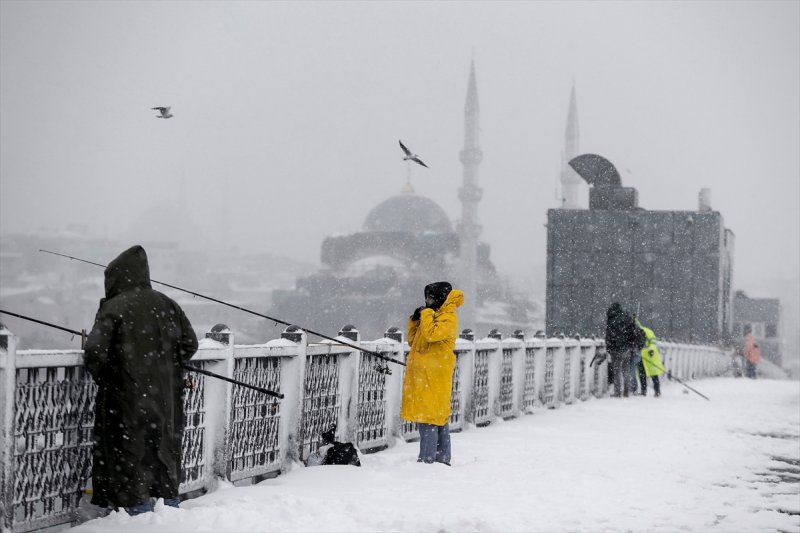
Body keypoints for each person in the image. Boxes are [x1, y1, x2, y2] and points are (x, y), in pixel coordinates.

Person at [84, 245, 198, 515]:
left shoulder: (114, 307)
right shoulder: (168, 304)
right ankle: (169, 510)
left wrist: (111, 377)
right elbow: (190, 344)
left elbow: (94, 352)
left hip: (126, 402)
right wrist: (165, 366)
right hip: (166, 401)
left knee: (130, 457)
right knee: (163, 456)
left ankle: (139, 516)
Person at [401, 281, 464, 465]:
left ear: (440, 298)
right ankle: (442, 458)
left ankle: (428, 460)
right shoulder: (435, 316)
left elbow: (431, 335)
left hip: (435, 377)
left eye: (430, 297)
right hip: (425, 376)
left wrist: (427, 314)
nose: (427, 301)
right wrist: (415, 320)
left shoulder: (448, 318)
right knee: (435, 416)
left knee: (430, 418)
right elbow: (414, 342)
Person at [605, 302, 638, 397]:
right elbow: (633, 333)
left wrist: (609, 347)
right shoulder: (627, 318)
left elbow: (609, 335)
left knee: (617, 371)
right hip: (626, 349)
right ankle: (627, 392)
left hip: (615, 349)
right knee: (626, 370)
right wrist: (631, 345)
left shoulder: (612, 319)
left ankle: (617, 392)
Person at [635, 318, 664, 397]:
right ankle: (644, 390)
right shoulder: (633, 332)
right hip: (641, 356)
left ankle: (657, 390)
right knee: (642, 374)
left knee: (653, 374)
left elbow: (653, 342)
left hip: (649, 356)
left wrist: (651, 349)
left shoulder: (647, 331)